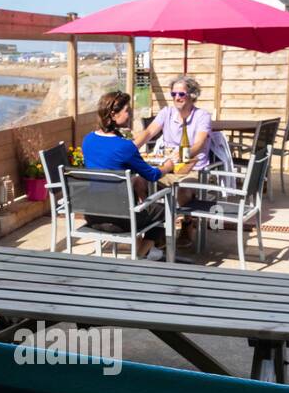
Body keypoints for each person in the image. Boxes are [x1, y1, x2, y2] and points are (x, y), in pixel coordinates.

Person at [134, 75, 233, 246]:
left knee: (180, 190)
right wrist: (131, 147)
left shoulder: (202, 116)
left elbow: (200, 143)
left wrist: (182, 154)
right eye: (173, 94)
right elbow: (149, 132)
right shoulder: (166, 113)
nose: (177, 98)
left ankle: (186, 223)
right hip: (167, 167)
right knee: (138, 182)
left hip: (195, 169)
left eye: (181, 94)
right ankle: (153, 224)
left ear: (192, 95)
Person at [81, 90, 175, 259]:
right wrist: (168, 166)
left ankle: (146, 250)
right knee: (165, 210)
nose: (131, 114)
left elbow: (106, 170)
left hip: (93, 215)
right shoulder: (125, 147)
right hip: (120, 220)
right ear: (113, 114)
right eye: (127, 111)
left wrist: (133, 180)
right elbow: (152, 175)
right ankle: (142, 251)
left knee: (139, 197)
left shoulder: (88, 140)